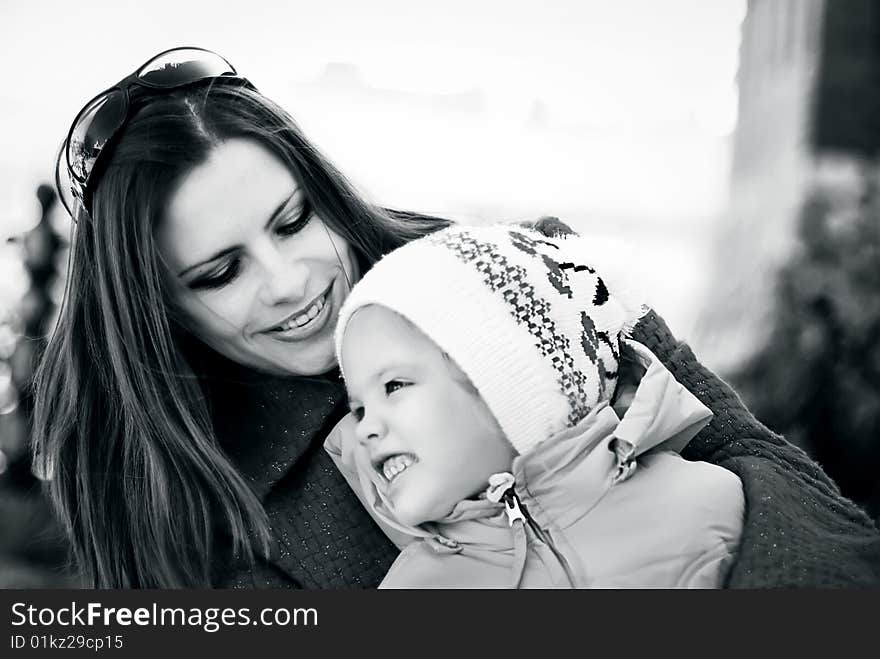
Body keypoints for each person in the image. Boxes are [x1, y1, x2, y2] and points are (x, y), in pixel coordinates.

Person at [34, 47, 880, 588]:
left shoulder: (524, 275)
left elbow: (766, 467)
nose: (290, 281)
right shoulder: (198, 504)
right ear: (160, 313)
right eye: (221, 272)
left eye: (293, 221)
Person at [332, 224, 745, 587]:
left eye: (394, 385)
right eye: (359, 409)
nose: (365, 429)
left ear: (503, 371)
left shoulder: (701, 504)